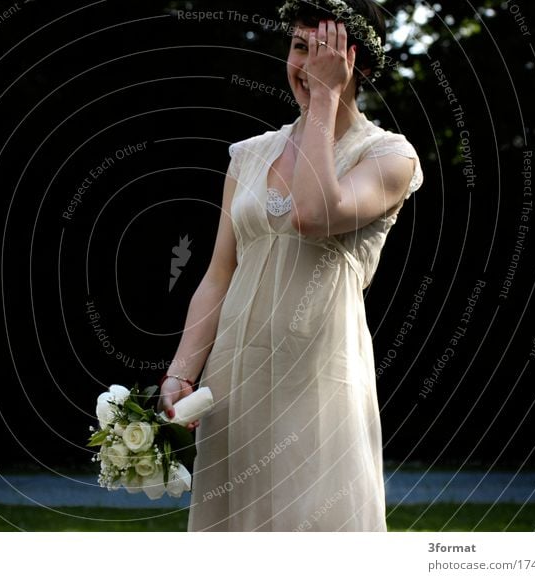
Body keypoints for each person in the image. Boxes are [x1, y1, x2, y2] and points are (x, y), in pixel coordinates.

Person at [158, 0, 424, 531]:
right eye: (298, 47)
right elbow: (218, 274)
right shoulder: (249, 155)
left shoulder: (390, 156)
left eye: (322, 52)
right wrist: (180, 373)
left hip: (320, 378)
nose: (304, 65)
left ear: (359, 65)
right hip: (235, 382)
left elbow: (312, 213)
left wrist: (325, 99)